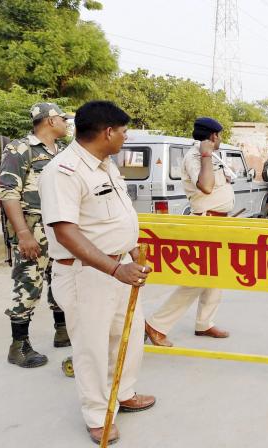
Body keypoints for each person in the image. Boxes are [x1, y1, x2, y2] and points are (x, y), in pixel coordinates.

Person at [39, 101, 155, 444]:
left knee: (129, 336)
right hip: (86, 274)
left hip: (119, 268)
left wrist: (129, 246)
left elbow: (110, 215)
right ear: (108, 132)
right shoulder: (64, 171)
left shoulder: (105, 165)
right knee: (91, 347)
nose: (125, 137)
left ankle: (123, 393)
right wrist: (115, 268)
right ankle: (96, 414)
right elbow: (66, 232)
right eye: (123, 131)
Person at [0, 103, 71, 368]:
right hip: (34, 228)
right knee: (29, 283)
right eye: (62, 118)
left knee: (60, 278)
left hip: (58, 227)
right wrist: (24, 233)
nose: (65, 122)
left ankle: (62, 331)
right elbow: (8, 192)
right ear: (50, 120)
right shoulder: (20, 149)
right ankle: (19, 346)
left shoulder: (61, 151)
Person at [144, 117, 232, 348]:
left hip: (218, 223)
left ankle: (204, 323)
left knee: (217, 276)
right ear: (213, 136)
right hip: (206, 223)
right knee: (198, 278)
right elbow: (206, 186)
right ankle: (156, 324)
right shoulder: (195, 156)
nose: (220, 139)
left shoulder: (212, 156)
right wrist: (204, 155)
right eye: (219, 135)